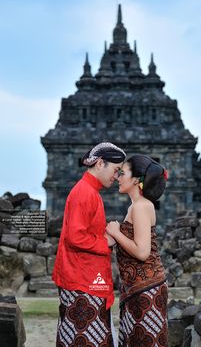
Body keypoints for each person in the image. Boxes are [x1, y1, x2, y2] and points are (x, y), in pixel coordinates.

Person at [52, 142, 126, 347]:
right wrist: (107, 240)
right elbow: (75, 237)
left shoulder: (90, 191)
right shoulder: (85, 193)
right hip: (82, 278)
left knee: (88, 335)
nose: (117, 176)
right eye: (116, 170)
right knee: (86, 338)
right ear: (100, 163)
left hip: (87, 275)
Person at [106, 154, 168, 347]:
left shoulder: (141, 206)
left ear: (136, 179)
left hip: (146, 289)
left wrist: (116, 232)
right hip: (137, 289)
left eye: (122, 173)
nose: (117, 177)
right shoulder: (135, 206)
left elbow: (142, 252)